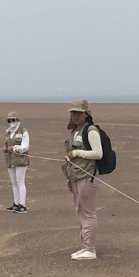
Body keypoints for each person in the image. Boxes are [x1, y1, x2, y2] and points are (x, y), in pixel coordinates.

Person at [62, 100, 103, 259]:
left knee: (88, 213)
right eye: (73, 113)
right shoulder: (74, 131)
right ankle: (85, 246)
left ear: (86, 114)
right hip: (75, 177)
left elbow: (98, 154)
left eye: (78, 113)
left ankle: (90, 249)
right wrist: (69, 177)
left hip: (87, 177)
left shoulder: (90, 130)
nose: (75, 116)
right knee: (80, 211)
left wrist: (78, 153)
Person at [2, 111, 30, 212]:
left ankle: (22, 205)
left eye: (13, 120)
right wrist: (5, 148)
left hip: (20, 160)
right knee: (14, 183)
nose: (11, 122)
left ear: (17, 120)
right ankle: (16, 203)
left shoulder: (23, 131)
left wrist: (13, 147)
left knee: (20, 182)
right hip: (10, 160)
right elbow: (6, 143)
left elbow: (25, 147)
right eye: (9, 120)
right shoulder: (8, 132)